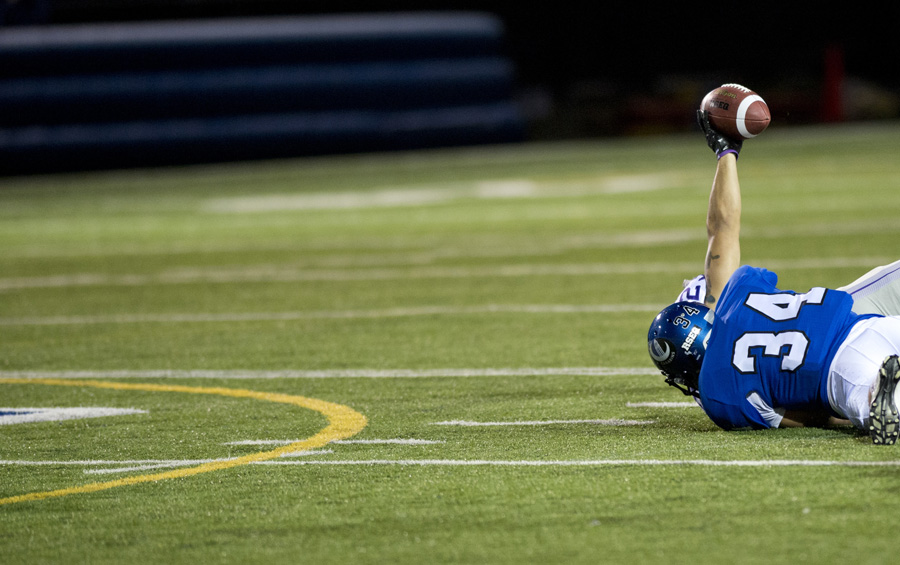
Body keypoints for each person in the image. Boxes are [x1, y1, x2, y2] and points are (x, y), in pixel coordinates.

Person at [647, 110, 900, 444]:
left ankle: (882, 396)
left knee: (878, 408)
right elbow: (722, 227)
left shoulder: (719, 396)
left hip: (841, 370)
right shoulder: (735, 290)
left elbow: (798, 418)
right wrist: (726, 152)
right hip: (865, 324)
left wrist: (843, 417)